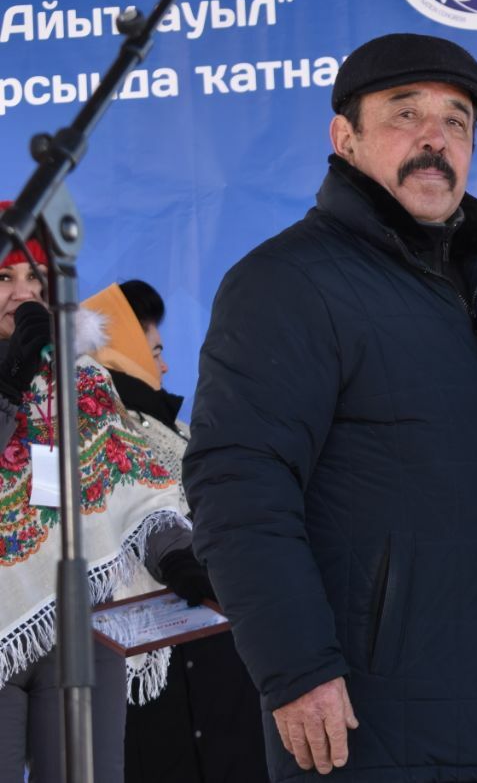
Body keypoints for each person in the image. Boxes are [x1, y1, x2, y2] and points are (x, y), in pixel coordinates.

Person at [183, 33, 477, 782]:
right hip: (368, 726)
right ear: (345, 137)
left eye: (457, 122)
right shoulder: (287, 283)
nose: (435, 139)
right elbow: (239, 487)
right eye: (405, 114)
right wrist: (297, 668)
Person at [0, 219, 188, 783]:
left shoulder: (81, 379)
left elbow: (127, 481)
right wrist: (12, 383)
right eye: (4, 277)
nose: (25, 292)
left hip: (80, 629)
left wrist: (180, 557)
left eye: (35, 276)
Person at [83, 279, 270, 783]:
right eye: (155, 350)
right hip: (137, 661)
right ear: (117, 352)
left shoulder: (184, 433)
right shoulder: (82, 439)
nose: (164, 365)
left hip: (216, 641)